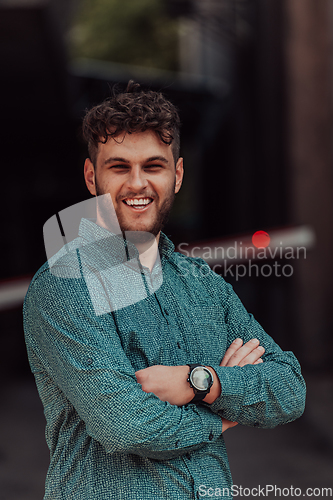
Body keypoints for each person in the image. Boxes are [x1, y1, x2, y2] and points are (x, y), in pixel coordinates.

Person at [23, 81, 306, 500]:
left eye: (153, 166)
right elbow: (127, 426)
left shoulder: (204, 285)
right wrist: (222, 415)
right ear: (91, 176)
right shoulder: (65, 286)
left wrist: (201, 382)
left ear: (176, 176)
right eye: (119, 167)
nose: (137, 184)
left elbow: (289, 388)